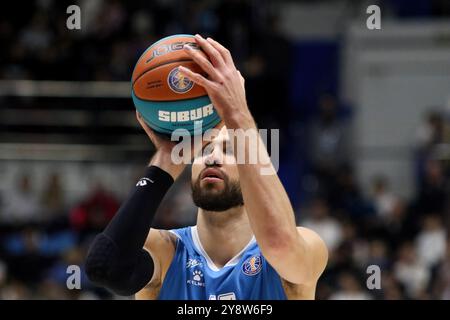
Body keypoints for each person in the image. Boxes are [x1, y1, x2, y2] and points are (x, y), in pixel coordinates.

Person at [85, 34, 328, 300]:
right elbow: (105, 269)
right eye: (204, 150)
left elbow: (280, 245)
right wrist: (165, 159)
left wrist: (238, 115)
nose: (212, 158)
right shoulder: (166, 251)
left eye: (230, 150)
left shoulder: (308, 245)